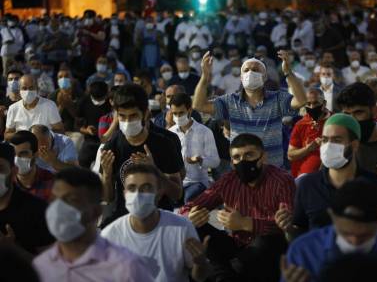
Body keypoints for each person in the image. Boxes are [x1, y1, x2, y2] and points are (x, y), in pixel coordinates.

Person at [179, 133, 294, 282]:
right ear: (232, 162)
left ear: (263, 157)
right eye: (237, 157)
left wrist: (246, 223)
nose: (243, 161)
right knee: (195, 227)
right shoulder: (228, 180)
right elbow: (188, 208)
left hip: (267, 251)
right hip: (235, 246)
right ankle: (225, 274)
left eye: (249, 155)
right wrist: (190, 216)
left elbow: (287, 225)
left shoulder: (282, 181)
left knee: (266, 242)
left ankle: (223, 274)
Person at [279, 113, 377, 237]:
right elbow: (300, 232)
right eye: (325, 140)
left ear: (354, 145)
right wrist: (288, 227)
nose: (328, 146)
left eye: (337, 140)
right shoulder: (308, 185)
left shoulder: (376, 185)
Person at [281, 180, 377, 282]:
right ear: (332, 217)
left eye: (364, 236)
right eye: (347, 233)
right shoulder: (304, 252)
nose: (355, 242)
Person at [34, 167, 154, 282]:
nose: (58, 208)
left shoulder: (126, 268)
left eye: (71, 200)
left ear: (96, 211)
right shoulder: (40, 267)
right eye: (54, 199)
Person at [193, 51, 307, 167]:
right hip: (241, 171)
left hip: (272, 170)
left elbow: (301, 101)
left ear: (265, 77)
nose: (251, 73)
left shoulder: (277, 99)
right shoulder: (230, 101)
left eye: (256, 70)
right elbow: (199, 105)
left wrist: (288, 72)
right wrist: (205, 77)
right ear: (241, 78)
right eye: (246, 70)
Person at [102, 163, 210, 282]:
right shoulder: (109, 236)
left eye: (146, 188)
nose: (138, 195)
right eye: (132, 188)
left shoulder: (181, 228)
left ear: (159, 193)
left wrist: (200, 263)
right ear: (124, 194)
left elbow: (200, 276)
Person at [100, 84, 183, 225]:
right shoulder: (111, 147)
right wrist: (107, 176)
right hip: (125, 218)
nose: (127, 122)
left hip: (159, 218)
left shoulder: (164, 144)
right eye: (122, 116)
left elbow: (177, 194)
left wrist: (155, 171)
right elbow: (108, 198)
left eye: (133, 116)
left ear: (145, 114)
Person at [0, 142, 54, 256]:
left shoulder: (37, 211)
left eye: (0, 168)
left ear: (14, 171)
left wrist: (12, 250)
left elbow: (50, 268)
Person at [169, 92, 220, 202]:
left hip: (198, 182)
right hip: (176, 183)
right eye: (175, 113)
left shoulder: (205, 132)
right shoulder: (170, 133)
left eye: (181, 113)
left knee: (188, 200)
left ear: (189, 110)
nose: (178, 117)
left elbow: (215, 161)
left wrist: (200, 160)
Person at [287, 88, 331, 179]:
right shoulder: (301, 124)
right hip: (304, 180)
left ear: (324, 103)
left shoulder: (334, 121)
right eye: (308, 104)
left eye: (315, 103)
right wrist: (308, 149)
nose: (311, 107)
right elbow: (290, 155)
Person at [4, 75, 64, 140]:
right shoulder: (13, 108)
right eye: (24, 88)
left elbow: (60, 131)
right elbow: (7, 135)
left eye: (31, 88)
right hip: (22, 146)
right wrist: (23, 136)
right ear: (19, 90)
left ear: (37, 89)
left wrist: (41, 135)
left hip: (44, 144)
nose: (28, 91)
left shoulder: (49, 105)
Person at [10, 130, 54, 202]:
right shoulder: (5, 183)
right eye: (13, 154)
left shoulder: (51, 181)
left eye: (23, 154)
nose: (16, 159)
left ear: (35, 155)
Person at [76, 81, 111, 168]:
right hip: (90, 141)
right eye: (96, 99)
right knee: (82, 162)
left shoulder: (111, 103)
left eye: (101, 99)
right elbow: (77, 126)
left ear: (107, 94)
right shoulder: (83, 102)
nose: (98, 102)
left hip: (108, 141)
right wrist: (87, 130)